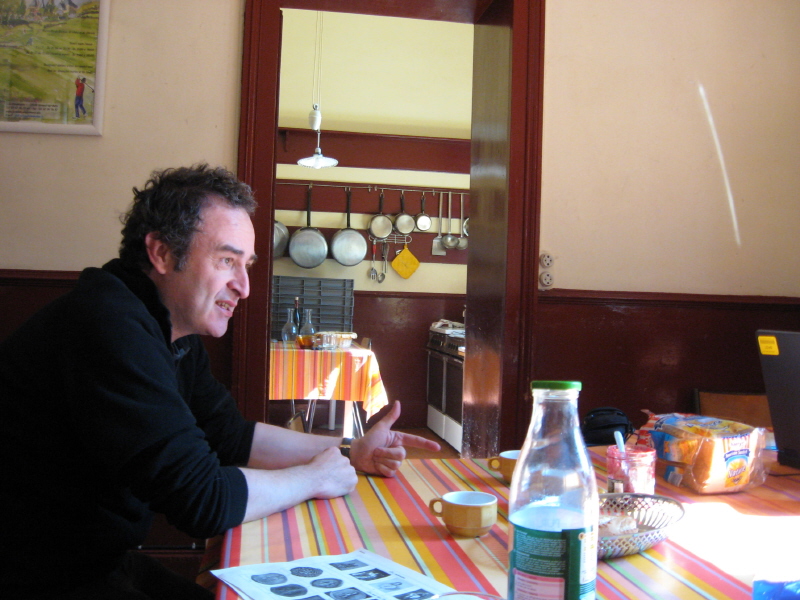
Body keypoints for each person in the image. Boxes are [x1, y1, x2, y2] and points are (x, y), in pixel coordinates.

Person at [0, 164, 440, 600]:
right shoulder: (108, 326)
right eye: (227, 260)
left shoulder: (168, 328)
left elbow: (230, 437)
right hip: (33, 575)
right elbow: (203, 500)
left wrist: (348, 451)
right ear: (162, 253)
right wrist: (312, 478)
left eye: (246, 264)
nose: (244, 287)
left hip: (90, 561)